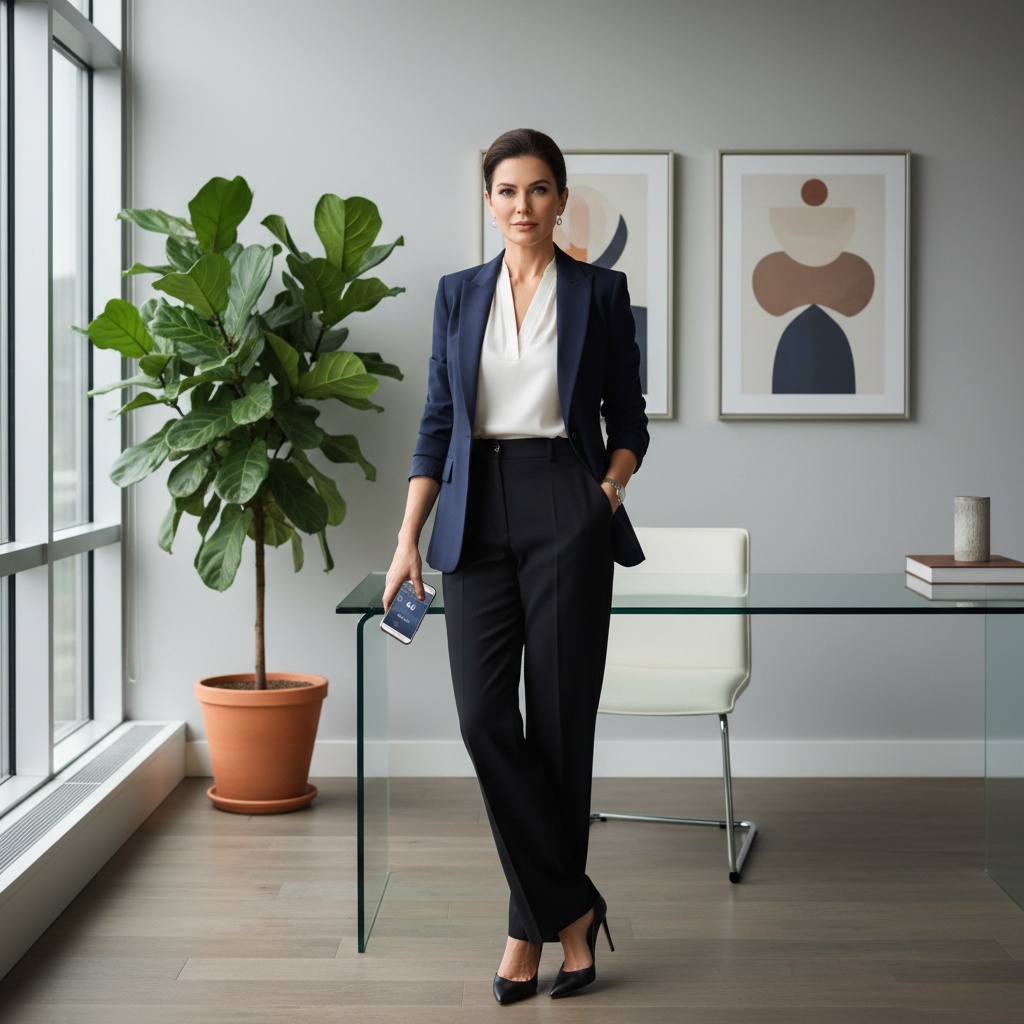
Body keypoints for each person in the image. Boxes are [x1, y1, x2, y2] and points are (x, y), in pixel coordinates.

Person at [383, 127, 649, 1004]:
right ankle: (571, 913)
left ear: (562, 199)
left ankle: (522, 936)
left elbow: (629, 425)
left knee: (563, 729)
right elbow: (435, 424)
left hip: (563, 504)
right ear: (488, 201)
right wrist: (406, 540)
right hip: (475, 508)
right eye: (507, 191)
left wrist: (600, 500)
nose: (523, 206)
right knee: (484, 718)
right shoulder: (458, 295)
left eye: (539, 190)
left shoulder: (600, 293)